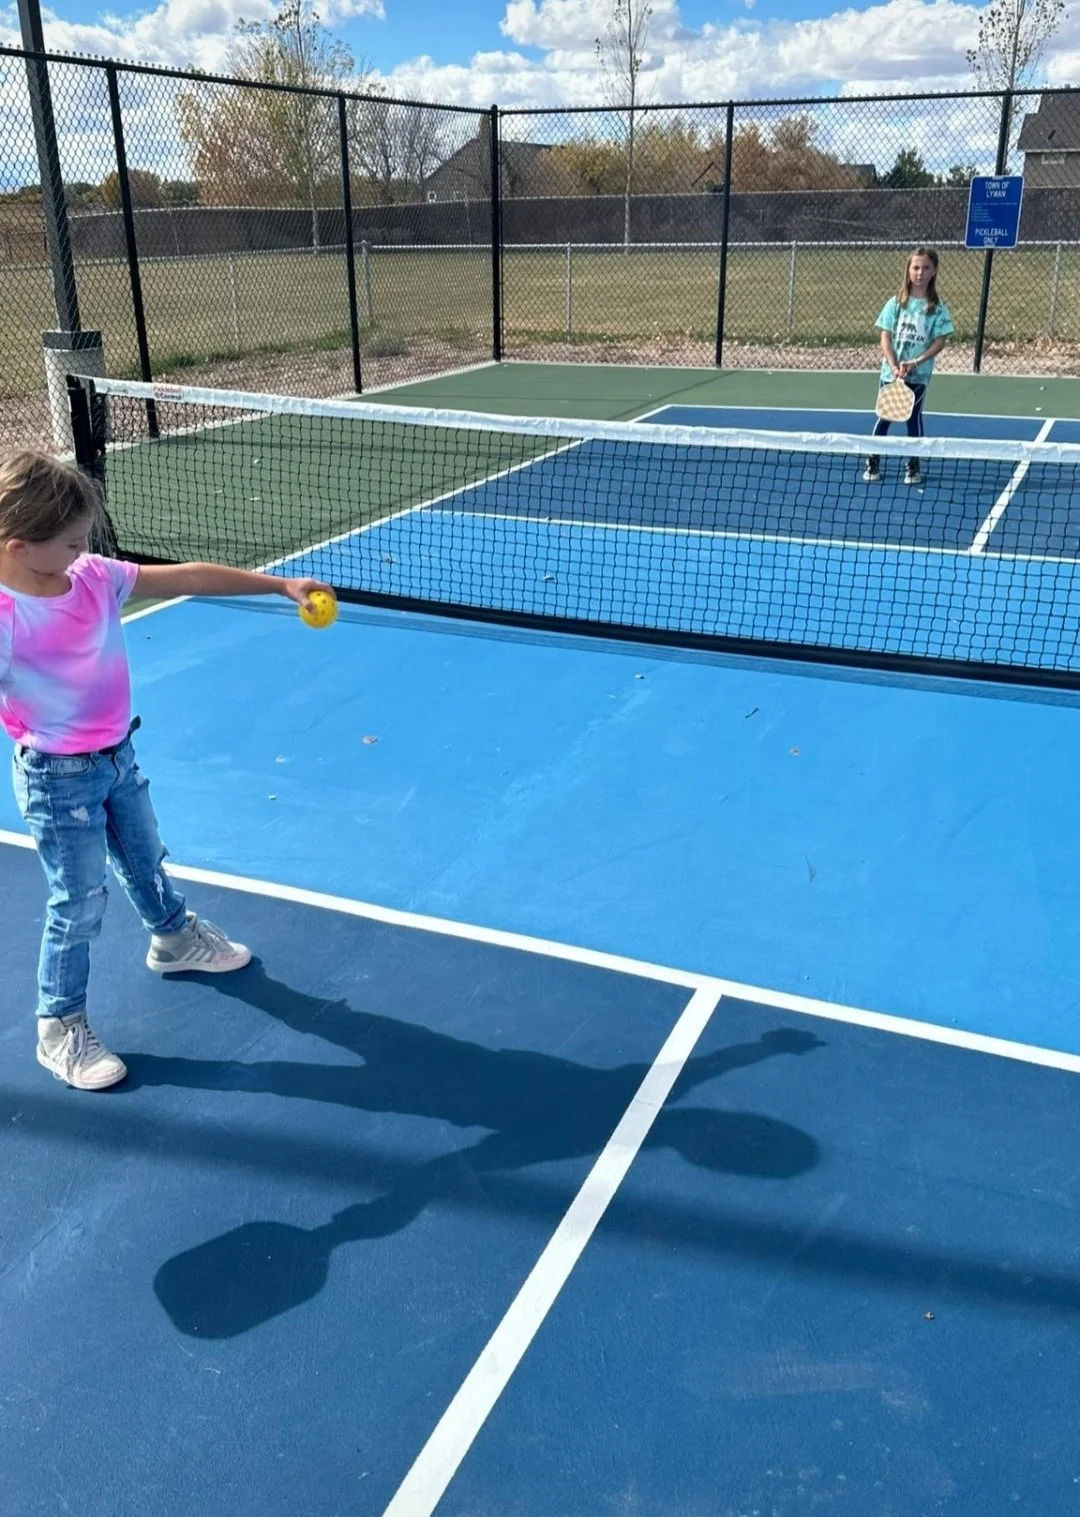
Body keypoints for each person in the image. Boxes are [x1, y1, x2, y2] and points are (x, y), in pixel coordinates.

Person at [0, 449, 336, 1092]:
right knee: (78, 902)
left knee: (144, 856)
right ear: (20, 546)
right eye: (71, 542)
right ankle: (59, 1025)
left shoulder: (94, 577)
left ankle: (175, 940)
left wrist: (280, 586)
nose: (83, 550)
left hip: (116, 756)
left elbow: (187, 577)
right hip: (55, 779)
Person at [864, 246, 954, 486]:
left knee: (913, 418)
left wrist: (915, 362)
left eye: (926, 268)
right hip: (891, 374)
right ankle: (873, 457)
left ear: (934, 271)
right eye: (915, 267)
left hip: (919, 375)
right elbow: (885, 337)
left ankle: (913, 464)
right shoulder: (895, 304)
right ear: (908, 270)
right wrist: (894, 365)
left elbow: (940, 341)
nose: (920, 273)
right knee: (885, 416)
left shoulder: (938, 308)